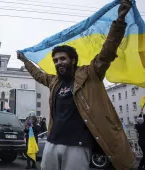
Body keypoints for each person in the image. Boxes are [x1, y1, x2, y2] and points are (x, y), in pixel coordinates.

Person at [17, 1, 134, 169]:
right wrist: (24, 60)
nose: (59, 63)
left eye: (63, 59)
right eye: (56, 60)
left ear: (73, 60)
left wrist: (119, 21)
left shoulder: (90, 74)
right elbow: (37, 75)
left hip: (77, 146)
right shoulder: (54, 82)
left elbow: (107, 51)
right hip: (52, 141)